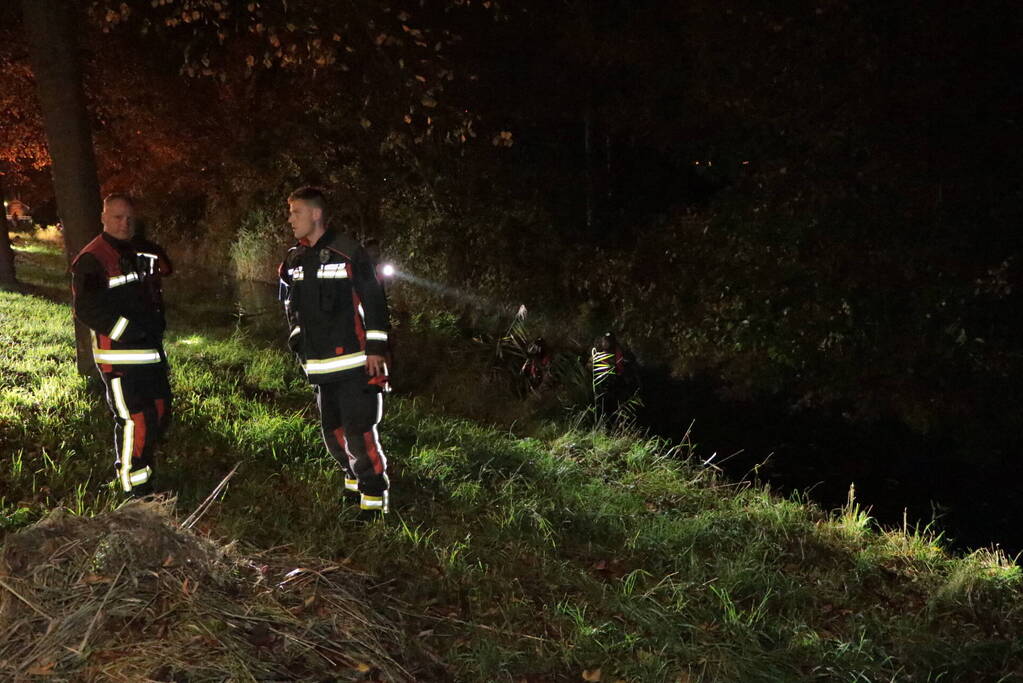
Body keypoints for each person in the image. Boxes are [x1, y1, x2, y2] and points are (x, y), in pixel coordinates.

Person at [278, 187, 392, 517]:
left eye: (296, 212)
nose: (290, 219)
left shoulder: (349, 252)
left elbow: (375, 302)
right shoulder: (295, 259)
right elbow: (290, 305)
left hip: (356, 362)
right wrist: (298, 341)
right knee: (333, 433)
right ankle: (352, 485)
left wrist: (375, 349)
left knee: (358, 431)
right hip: (319, 365)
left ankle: (373, 501)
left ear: (316, 214)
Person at [71, 193, 173, 497]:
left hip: (150, 352)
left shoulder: (140, 250)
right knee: (135, 419)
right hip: (119, 356)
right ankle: (134, 490)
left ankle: (144, 470)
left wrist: (148, 250)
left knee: (159, 412)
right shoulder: (92, 259)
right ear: (103, 217)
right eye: (117, 217)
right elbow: (86, 309)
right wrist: (128, 332)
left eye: (130, 218)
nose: (124, 223)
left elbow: (166, 268)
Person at [590, 331, 636, 425]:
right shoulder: (600, 354)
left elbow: (623, 368)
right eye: (604, 341)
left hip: (616, 386)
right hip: (603, 386)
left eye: (607, 341)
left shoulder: (619, 352)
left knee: (614, 409)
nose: (605, 343)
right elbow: (592, 366)